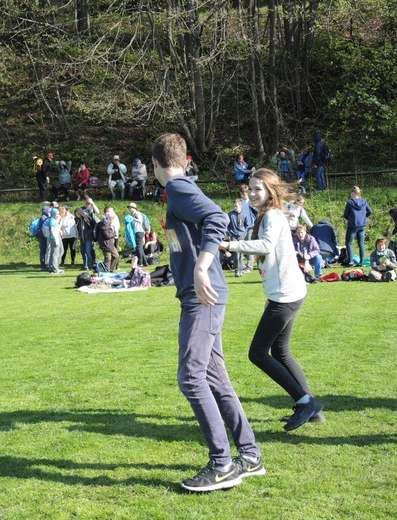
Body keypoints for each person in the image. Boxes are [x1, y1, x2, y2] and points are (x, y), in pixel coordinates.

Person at [152, 133, 263, 492]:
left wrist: (201, 266)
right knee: (215, 378)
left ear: (155, 165)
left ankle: (222, 465)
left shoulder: (180, 189)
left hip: (202, 298)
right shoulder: (181, 188)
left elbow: (217, 219)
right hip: (202, 297)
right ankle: (249, 455)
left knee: (191, 377)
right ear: (185, 160)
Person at [220, 168, 324, 432]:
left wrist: (229, 245)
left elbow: (265, 246)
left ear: (270, 191)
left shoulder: (273, 216)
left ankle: (305, 401)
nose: (252, 193)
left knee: (257, 353)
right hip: (286, 293)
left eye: (257, 189)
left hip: (286, 296)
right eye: (250, 189)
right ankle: (311, 408)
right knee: (281, 352)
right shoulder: (267, 215)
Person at [343, 186, 373, 267]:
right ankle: (362, 262)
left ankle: (351, 261)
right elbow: (370, 211)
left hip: (352, 225)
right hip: (362, 225)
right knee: (361, 243)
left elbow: (345, 214)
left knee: (349, 243)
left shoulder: (350, 202)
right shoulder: (364, 201)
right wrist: (364, 217)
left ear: (353, 193)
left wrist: (350, 218)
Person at [227, 199, 248, 277]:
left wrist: (244, 233)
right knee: (236, 254)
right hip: (234, 236)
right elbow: (227, 226)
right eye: (234, 206)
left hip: (241, 236)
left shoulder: (244, 215)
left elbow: (246, 225)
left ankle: (241, 269)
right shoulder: (230, 215)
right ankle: (236, 270)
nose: (235, 208)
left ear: (241, 206)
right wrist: (229, 233)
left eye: (236, 206)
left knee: (241, 253)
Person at [239, 184, 257, 273]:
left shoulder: (251, 202)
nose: (243, 195)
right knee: (242, 246)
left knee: (249, 245)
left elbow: (257, 212)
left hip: (251, 226)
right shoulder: (240, 202)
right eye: (242, 193)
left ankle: (249, 266)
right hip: (242, 227)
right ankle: (242, 264)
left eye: (245, 193)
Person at [97, 206, 119, 272]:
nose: (113, 219)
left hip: (109, 243)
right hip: (105, 244)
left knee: (116, 256)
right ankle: (106, 271)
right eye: (112, 218)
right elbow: (107, 235)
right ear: (109, 217)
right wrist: (114, 234)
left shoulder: (108, 223)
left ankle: (111, 270)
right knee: (108, 259)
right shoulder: (104, 224)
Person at [43, 208, 64, 274]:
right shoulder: (52, 220)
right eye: (57, 214)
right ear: (54, 214)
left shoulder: (53, 220)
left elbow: (57, 228)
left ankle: (51, 267)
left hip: (54, 238)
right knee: (55, 254)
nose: (58, 215)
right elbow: (52, 230)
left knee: (54, 253)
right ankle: (55, 269)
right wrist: (56, 239)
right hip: (54, 238)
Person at [127, 202, 148, 267]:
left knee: (138, 247)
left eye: (130, 207)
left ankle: (140, 262)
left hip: (139, 231)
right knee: (140, 247)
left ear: (134, 208)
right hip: (136, 232)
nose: (129, 209)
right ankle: (145, 262)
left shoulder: (137, 213)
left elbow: (140, 221)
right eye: (129, 207)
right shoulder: (132, 214)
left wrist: (133, 218)